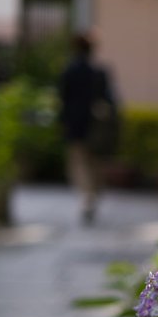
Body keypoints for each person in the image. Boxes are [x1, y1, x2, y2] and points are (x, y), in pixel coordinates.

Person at [58, 32, 118, 224]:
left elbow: (63, 100)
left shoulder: (69, 71)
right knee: (95, 164)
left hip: (76, 125)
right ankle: (92, 196)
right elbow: (110, 101)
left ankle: (86, 197)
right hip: (96, 126)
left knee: (79, 163)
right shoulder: (98, 72)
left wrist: (63, 123)